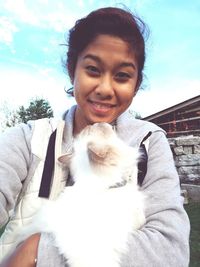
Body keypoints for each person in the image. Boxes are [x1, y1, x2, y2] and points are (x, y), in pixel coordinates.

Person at [0, 6, 190, 267]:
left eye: (122, 76)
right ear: (72, 70)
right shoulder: (29, 139)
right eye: (92, 70)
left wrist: (38, 250)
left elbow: (171, 251)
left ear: (135, 84)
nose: (105, 88)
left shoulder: (149, 141)